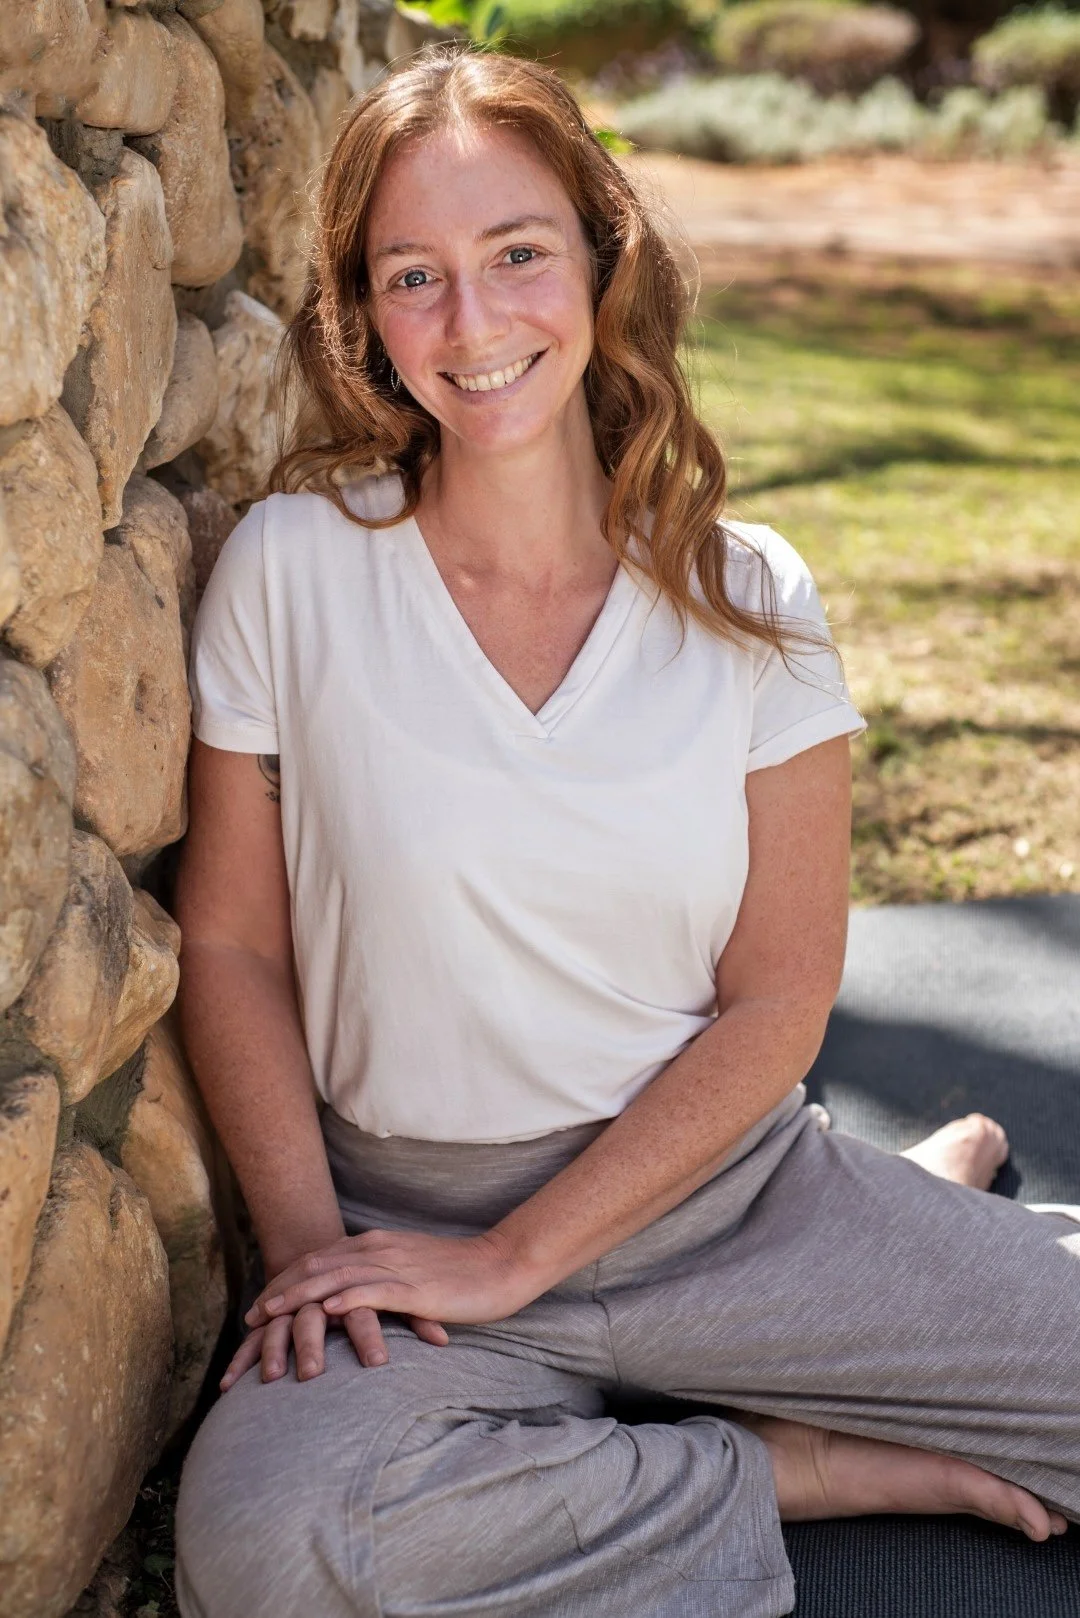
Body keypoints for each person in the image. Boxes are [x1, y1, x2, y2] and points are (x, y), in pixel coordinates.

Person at [173, 45, 1080, 1618]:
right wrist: (319, 1257)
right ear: (366, 318)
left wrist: (529, 1251)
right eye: (415, 276)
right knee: (274, 1544)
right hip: (413, 1234)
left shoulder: (751, 596)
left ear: (602, 253)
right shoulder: (292, 571)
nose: (475, 322)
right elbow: (234, 942)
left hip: (730, 1204)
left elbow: (780, 1000)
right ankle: (789, 1457)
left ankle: (901, 1215)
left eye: (518, 252)